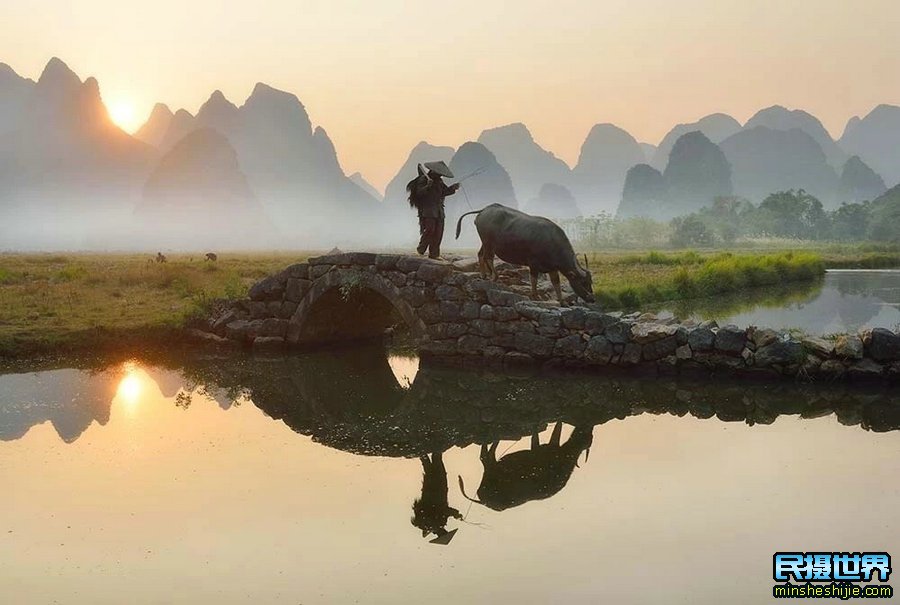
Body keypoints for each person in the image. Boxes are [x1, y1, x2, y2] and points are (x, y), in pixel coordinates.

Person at [406, 161, 459, 259]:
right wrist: (428, 186)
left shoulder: (439, 182)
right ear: (433, 171)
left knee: (438, 232)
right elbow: (419, 193)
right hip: (428, 210)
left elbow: (444, 192)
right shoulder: (424, 179)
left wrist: (453, 188)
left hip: (439, 211)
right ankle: (421, 249)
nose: (440, 175)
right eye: (438, 173)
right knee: (430, 230)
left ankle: (434, 254)